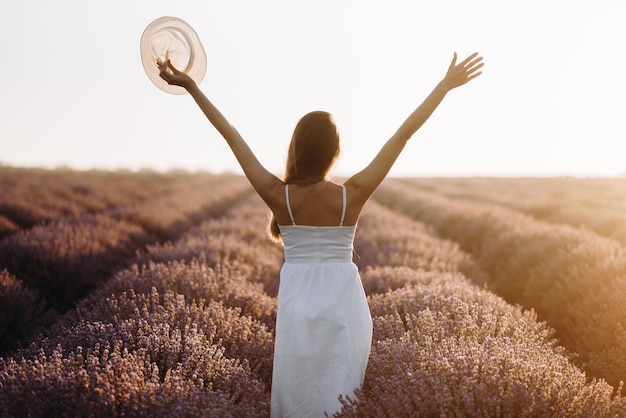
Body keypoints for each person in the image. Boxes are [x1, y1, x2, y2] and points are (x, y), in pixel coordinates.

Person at [158, 51, 483, 417]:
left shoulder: (279, 196)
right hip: (344, 303)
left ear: (297, 148)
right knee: (339, 396)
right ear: (335, 152)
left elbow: (230, 135)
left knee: (298, 393)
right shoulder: (352, 196)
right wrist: (443, 87)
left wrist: (191, 87)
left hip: (298, 304)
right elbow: (403, 135)